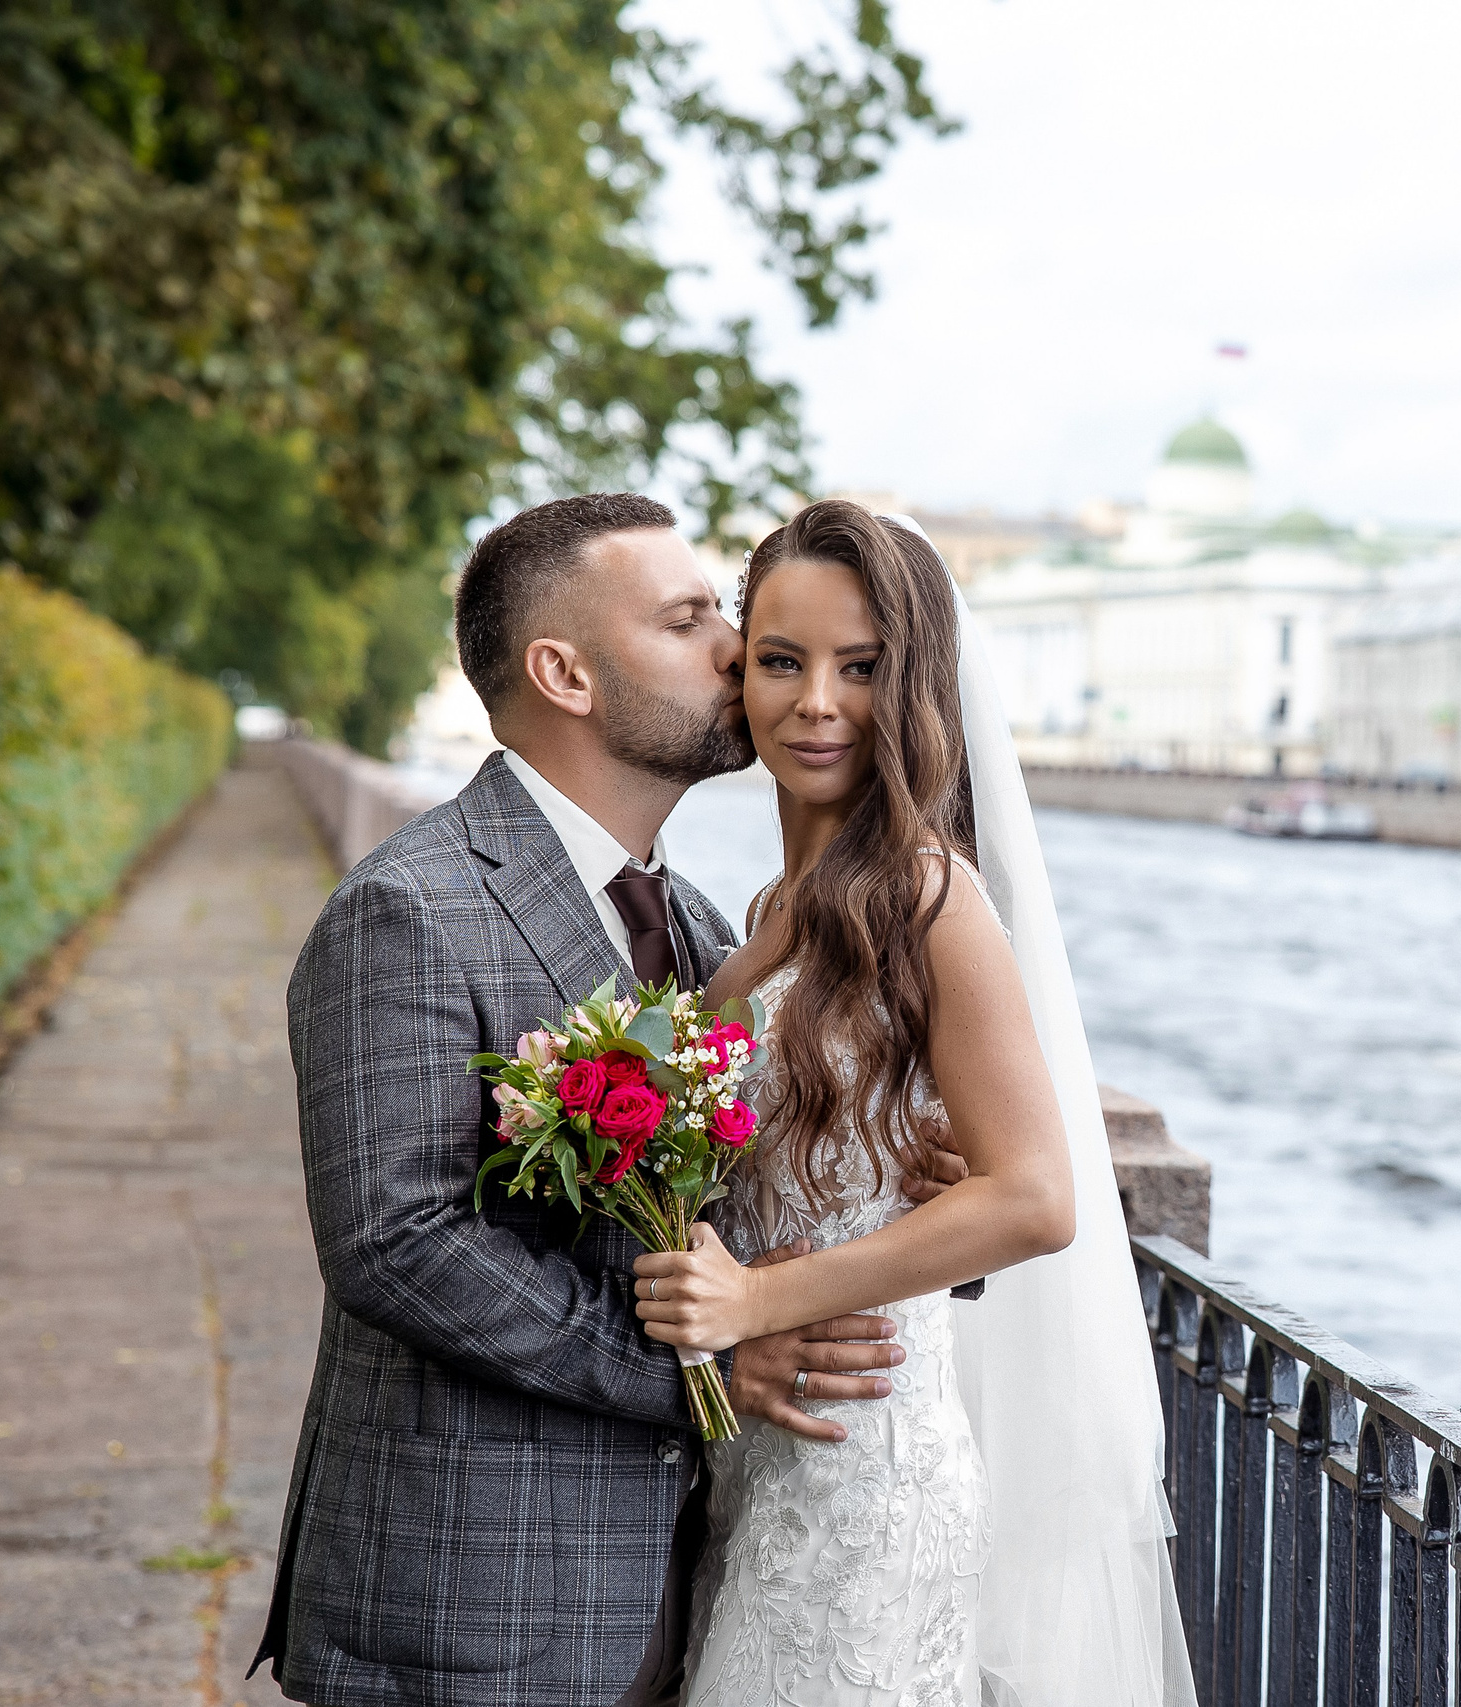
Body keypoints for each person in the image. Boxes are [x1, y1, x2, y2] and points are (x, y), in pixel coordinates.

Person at [253, 494, 961, 1707]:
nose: (737, 653)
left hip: (677, 1586)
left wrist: (891, 1182)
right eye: (691, 621)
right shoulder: (408, 909)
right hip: (474, 1600)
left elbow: (728, 1187)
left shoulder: (692, 924)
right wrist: (700, 1374)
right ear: (564, 673)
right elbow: (396, 1241)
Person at [629, 500, 1195, 1706]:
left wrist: (757, 1297)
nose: (815, 702)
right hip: (758, 1457)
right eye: (781, 661)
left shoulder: (930, 898)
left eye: (861, 668)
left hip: (865, 1477)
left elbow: (1036, 1199)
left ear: (918, 686)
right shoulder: (775, 908)